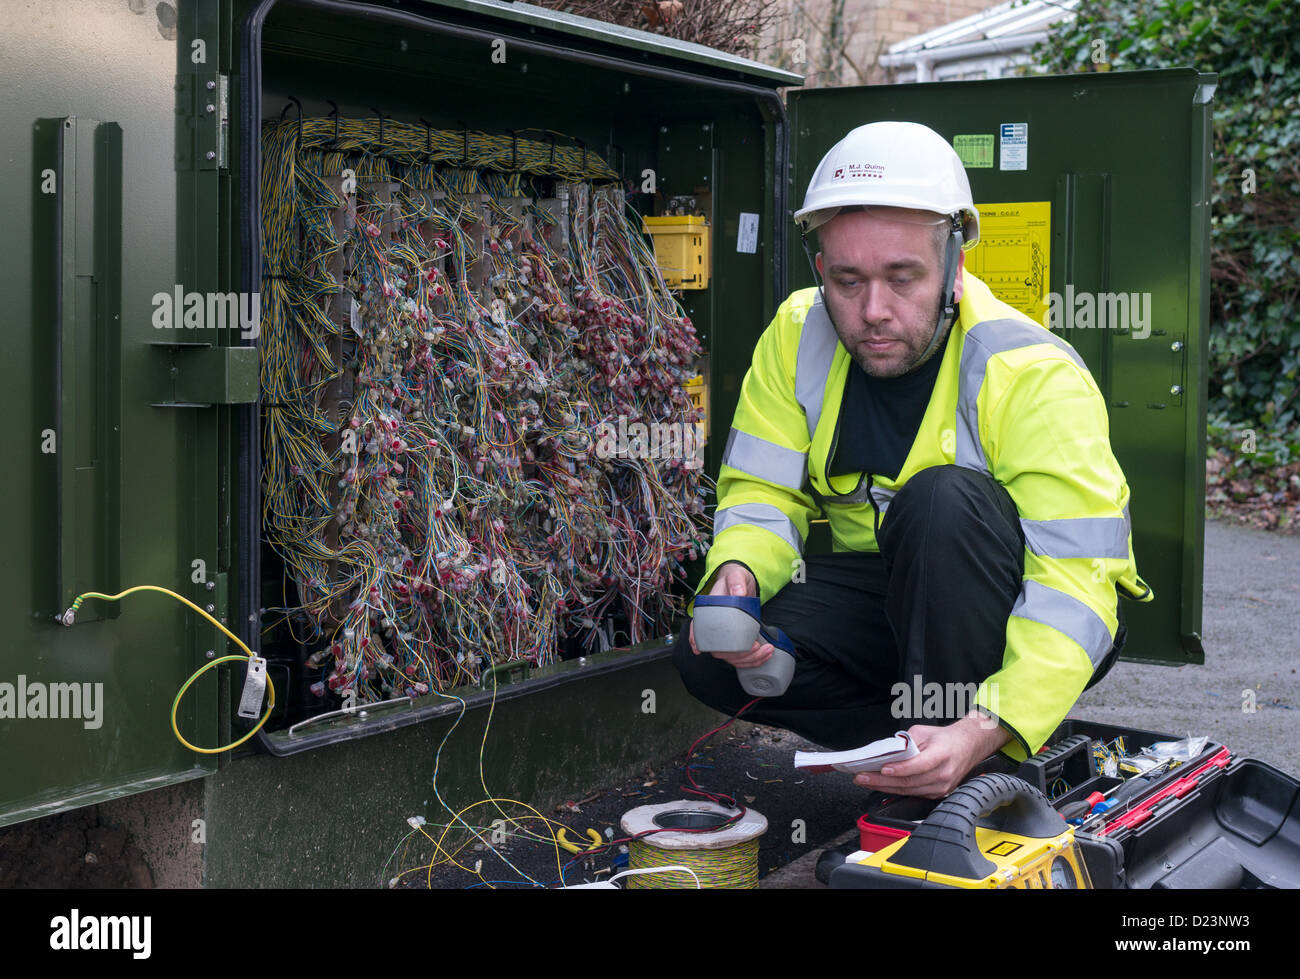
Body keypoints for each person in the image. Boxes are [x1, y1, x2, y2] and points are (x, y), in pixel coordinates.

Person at [671, 121, 1153, 799]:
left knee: (941, 503)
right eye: (847, 280)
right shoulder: (795, 335)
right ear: (820, 272)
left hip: (1003, 606)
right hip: (887, 600)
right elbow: (761, 491)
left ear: (955, 265)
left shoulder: (1031, 374)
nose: (873, 311)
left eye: (903, 278)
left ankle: (974, 764)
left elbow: (1076, 585)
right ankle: (908, 751)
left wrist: (991, 721)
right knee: (703, 658)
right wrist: (740, 570)